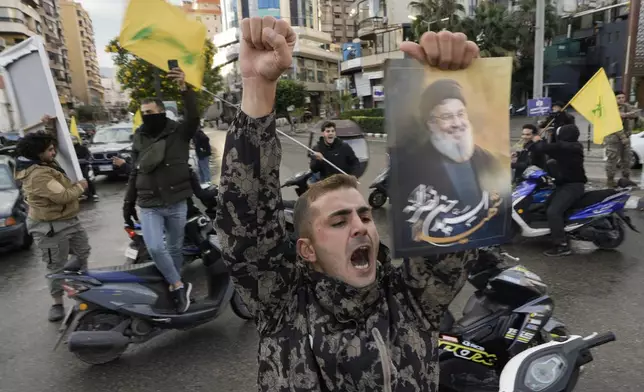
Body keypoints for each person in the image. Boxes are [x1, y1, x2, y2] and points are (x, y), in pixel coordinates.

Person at [214, 16, 482, 391]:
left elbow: (453, 216)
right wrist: (258, 89)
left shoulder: (413, 300)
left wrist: (443, 84)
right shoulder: (282, 305)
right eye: (339, 222)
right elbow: (245, 219)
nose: (360, 226)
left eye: (365, 215)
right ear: (305, 249)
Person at [393, 78, 509, 252]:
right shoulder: (410, 166)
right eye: (447, 116)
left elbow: (501, 208)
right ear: (430, 123)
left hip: (481, 248)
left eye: (461, 114)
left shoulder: (488, 160)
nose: (457, 123)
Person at [122, 67, 199, 314]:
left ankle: (175, 291)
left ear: (162, 112)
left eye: (151, 112)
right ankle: (177, 285)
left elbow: (194, 116)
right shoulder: (139, 137)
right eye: (143, 113)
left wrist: (184, 89)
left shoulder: (179, 131)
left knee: (175, 248)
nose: (147, 116)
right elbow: (135, 171)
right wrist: (127, 204)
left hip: (176, 201)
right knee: (155, 247)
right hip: (149, 204)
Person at [15, 130, 91, 322]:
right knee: (55, 266)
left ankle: (82, 290)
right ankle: (57, 303)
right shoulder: (38, 175)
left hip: (69, 220)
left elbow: (52, 139)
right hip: (49, 227)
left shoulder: (45, 162)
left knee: (82, 253)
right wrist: (81, 186)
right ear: (37, 153)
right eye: (49, 149)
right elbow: (63, 196)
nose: (54, 152)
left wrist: (50, 124)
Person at [528, 124, 587, 257]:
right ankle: (560, 231)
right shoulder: (570, 146)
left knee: (553, 211)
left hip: (572, 186)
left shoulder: (570, 147)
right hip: (564, 185)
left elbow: (546, 147)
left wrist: (538, 140)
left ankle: (562, 245)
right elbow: (544, 149)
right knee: (546, 206)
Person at [605, 91, 639, 187]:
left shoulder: (626, 107)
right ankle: (610, 181)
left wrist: (626, 114)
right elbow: (615, 126)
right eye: (618, 98)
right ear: (614, 99)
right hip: (613, 139)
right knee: (612, 160)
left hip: (626, 138)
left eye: (623, 97)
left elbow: (636, 114)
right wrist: (623, 137)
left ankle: (626, 180)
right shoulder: (610, 108)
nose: (621, 99)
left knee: (627, 160)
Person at [72, 135, 98, 201]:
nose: (73, 141)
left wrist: (82, 160)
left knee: (87, 179)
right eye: (72, 140)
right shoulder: (71, 149)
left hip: (84, 166)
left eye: (74, 139)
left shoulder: (83, 148)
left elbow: (88, 157)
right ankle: (83, 194)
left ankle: (94, 193)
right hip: (74, 167)